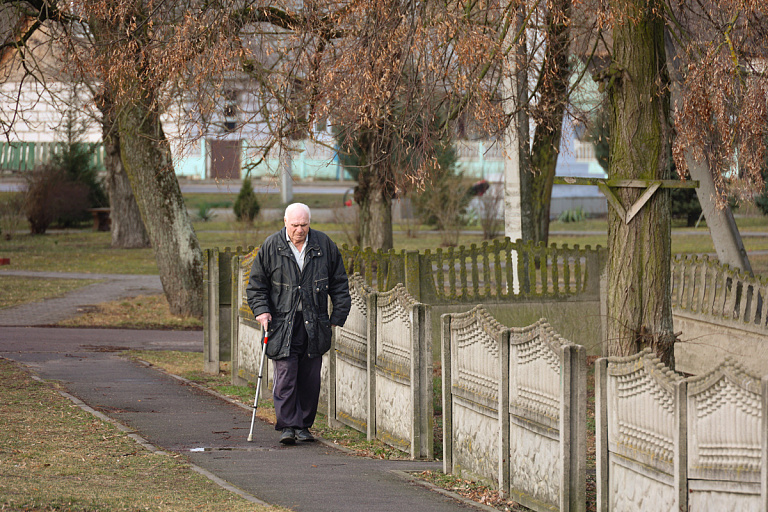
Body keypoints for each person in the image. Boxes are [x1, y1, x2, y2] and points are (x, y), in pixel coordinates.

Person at [246, 203, 351, 445]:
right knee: (285, 375)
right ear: (285, 222)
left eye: (304, 225)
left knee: (310, 378)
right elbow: (256, 286)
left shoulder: (324, 245)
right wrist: (262, 312)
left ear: (309, 222)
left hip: (315, 323)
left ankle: (303, 425)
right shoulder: (271, 246)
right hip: (282, 324)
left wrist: (337, 318)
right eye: (295, 225)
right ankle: (288, 426)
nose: (299, 230)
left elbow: (339, 284)